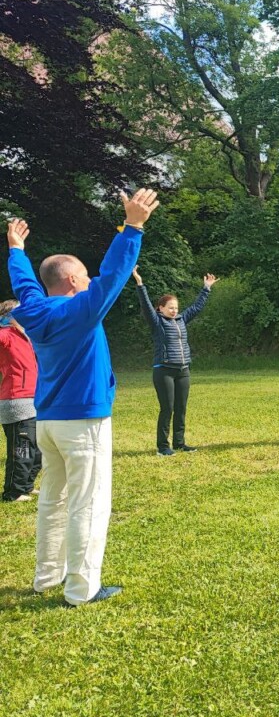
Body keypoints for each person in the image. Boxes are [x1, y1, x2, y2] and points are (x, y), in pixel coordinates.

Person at [6, 188, 160, 607]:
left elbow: (25, 283)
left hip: (48, 422)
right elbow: (112, 276)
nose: (91, 279)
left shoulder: (34, 310)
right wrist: (133, 226)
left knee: (54, 499)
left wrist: (17, 251)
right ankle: (81, 590)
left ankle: (46, 577)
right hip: (81, 423)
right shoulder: (81, 310)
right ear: (73, 281)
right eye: (85, 275)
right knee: (88, 503)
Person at [132, 267, 217, 455]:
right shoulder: (157, 322)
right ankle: (163, 447)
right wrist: (140, 283)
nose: (174, 310)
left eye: (176, 307)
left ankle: (180, 443)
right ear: (161, 308)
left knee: (181, 408)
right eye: (170, 307)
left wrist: (206, 288)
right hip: (164, 370)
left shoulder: (181, 319)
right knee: (167, 408)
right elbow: (146, 305)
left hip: (183, 370)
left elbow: (196, 307)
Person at [0, 300, 41, 502]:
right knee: (22, 449)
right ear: (9, 316)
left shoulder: (25, 337)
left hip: (33, 399)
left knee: (39, 448)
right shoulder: (6, 335)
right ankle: (13, 492)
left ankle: (25, 485)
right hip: (16, 401)